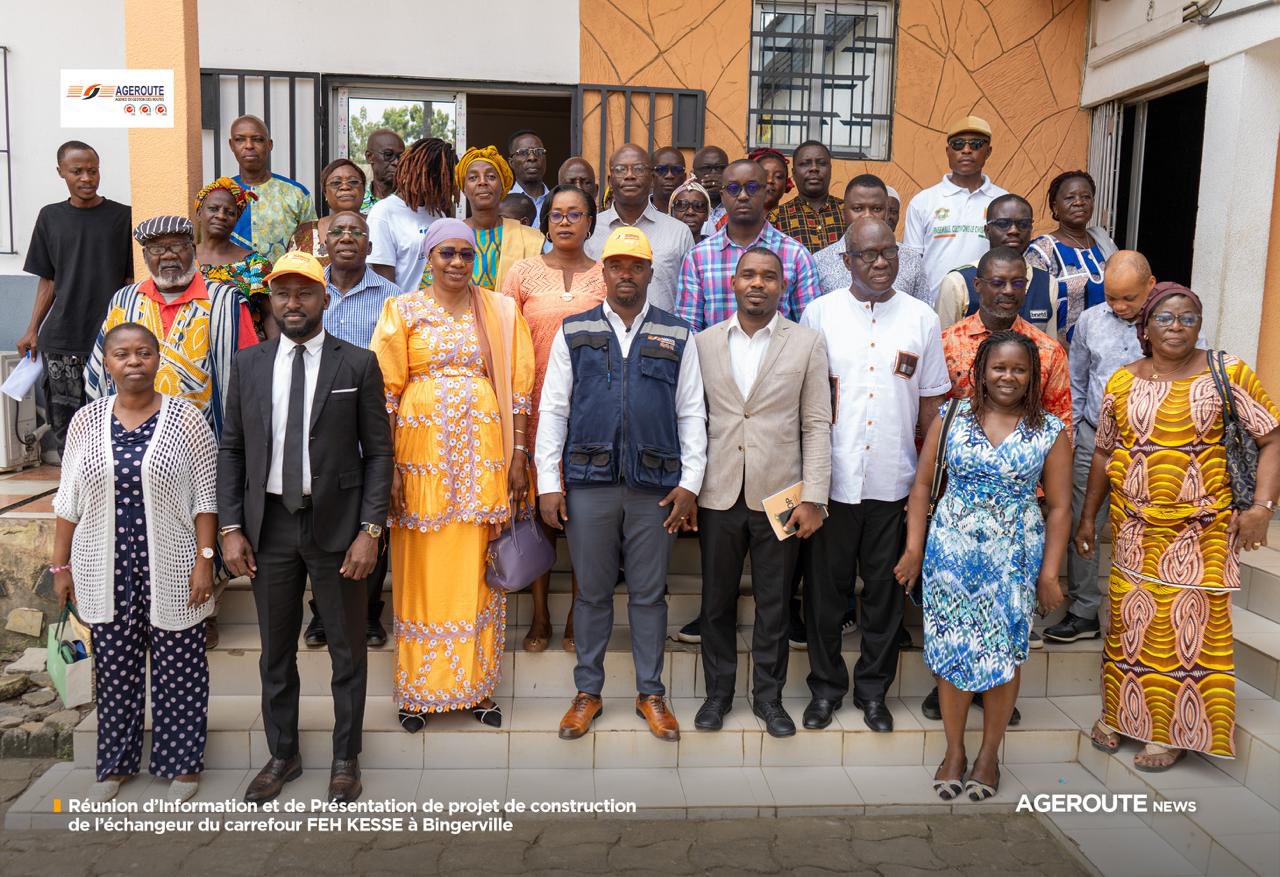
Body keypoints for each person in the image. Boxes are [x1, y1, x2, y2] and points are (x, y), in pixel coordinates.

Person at [1076, 284, 1280, 771]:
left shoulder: (1227, 372)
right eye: (1165, 318)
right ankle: (1121, 715)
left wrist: (1262, 507)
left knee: (1183, 631)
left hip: (1200, 531)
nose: (1176, 327)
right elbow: (1103, 452)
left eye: (1188, 319)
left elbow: (1271, 438)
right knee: (1130, 627)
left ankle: (1172, 731)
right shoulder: (1122, 380)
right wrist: (1088, 516)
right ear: (1145, 328)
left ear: (1199, 326)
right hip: (1133, 530)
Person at [218, 250, 393, 804]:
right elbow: (232, 449)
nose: (292, 303)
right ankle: (283, 754)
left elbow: (380, 454)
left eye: (304, 292)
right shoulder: (248, 364)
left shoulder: (357, 364)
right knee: (275, 651)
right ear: (270, 299)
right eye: (283, 293)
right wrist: (230, 527)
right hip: (268, 527)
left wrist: (370, 531)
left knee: (347, 650)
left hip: (338, 526)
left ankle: (345, 758)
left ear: (324, 298)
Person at [537, 226, 706, 743]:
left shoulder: (677, 334)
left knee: (649, 596)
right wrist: (548, 482)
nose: (626, 274)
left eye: (636, 266)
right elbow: (554, 408)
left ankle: (650, 693)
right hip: (589, 482)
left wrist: (691, 483)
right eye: (616, 265)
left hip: (656, 486)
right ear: (603, 272)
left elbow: (691, 412)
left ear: (650, 273)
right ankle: (587, 692)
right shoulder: (574, 330)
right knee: (591, 594)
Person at [371, 219, 534, 733]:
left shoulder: (500, 311)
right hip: (419, 464)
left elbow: (520, 391)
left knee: (476, 573)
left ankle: (476, 688)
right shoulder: (402, 310)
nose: (458, 263)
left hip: (484, 460)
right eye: (447, 253)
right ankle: (418, 692)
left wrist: (519, 455)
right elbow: (385, 394)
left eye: (466, 253)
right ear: (430, 258)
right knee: (421, 573)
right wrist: (388, 468)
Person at [895, 330, 1071, 801]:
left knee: (1004, 653)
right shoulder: (952, 417)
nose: (1008, 377)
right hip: (950, 555)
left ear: (1033, 375)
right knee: (952, 650)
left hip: (1013, 557)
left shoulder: (1049, 430)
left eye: (1019, 369)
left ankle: (989, 756)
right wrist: (914, 550)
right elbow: (921, 487)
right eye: (999, 367)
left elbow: (1059, 508)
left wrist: (1049, 574)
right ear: (981, 372)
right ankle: (954, 752)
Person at [52, 322, 216, 803]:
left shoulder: (186, 419)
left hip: (174, 564)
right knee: (116, 670)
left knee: (181, 668)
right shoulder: (86, 421)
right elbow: (67, 501)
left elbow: (206, 498)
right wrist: (60, 568)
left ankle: (182, 766)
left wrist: (205, 561)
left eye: (143, 352)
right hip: (102, 567)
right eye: (122, 354)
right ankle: (115, 767)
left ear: (158, 358)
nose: (134, 362)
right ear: (107, 363)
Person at [798, 217, 950, 733]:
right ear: (846, 261)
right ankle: (825, 691)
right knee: (825, 595)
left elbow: (930, 408)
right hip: (832, 483)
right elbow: (805, 399)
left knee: (885, 597)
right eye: (867, 254)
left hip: (893, 482)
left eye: (889, 252)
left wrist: (929, 487)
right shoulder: (819, 313)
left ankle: (873, 694)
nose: (881, 262)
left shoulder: (922, 318)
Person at [693, 247, 831, 738]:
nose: (758, 283)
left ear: (782, 286)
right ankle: (717, 696)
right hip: (718, 492)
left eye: (768, 276)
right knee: (716, 602)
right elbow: (693, 419)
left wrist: (815, 496)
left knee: (775, 604)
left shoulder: (807, 343)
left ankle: (768, 700)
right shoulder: (704, 343)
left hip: (781, 496)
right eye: (748, 275)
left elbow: (817, 423)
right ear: (732, 283)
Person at [1047, 252, 1203, 646]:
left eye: (1129, 298)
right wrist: (1072, 438)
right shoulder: (1090, 320)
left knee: (1147, 527)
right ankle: (1084, 610)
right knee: (1084, 522)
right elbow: (1077, 381)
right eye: (1112, 297)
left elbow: (1193, 379)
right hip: (1093, 438)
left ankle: (1145, 610)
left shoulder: (1173, 321)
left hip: (1154, 446)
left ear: (1151, 285)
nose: (1118, 306)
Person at [502, 185, 607, 653]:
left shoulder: (605, 275)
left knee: (584, 510)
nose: (565, 222)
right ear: (545, 223)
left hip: (590, 408)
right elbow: (505, 340)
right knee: (537, 507)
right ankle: (540, 614)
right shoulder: (521, 273)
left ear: (590, 223)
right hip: (533, 405)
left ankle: (577, 613)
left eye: (575, 214)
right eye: (557, 214)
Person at [295, 210, 402, 651]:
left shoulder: (393, 299)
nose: (345, 237)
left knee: (370, 516)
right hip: (314, 423)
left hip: (371, 423)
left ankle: (368, 612)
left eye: (356, 231)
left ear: (369, 246)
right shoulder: (308, 292)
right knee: (319, 519)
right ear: (324, 243)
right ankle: (322, 612)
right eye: (336, 231)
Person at [86, 216, 258, 440]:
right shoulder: (123, 300)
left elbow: (250, 375)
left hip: (204, 440)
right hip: (130, 439)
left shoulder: (226, 301)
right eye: (157, 249)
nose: (168, 255)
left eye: (177, 246)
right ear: (144, 256)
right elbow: (101, 373)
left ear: (193, 251)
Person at [19, 140, 132, 460]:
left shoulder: (123, 217)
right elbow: (48, 279)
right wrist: (32, 329)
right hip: (61, 340)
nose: (86, 178)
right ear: (61, 172)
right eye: (77, 171)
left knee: (111, 423)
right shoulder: (50, 217)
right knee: (66, 426)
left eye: (93, 171)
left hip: (110, 339)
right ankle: (70, 486)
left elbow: (130, 280)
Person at [677, 159, 821, 332]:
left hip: (780, 350)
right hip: (715, 350)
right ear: (723, 196)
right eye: (733, 188)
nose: (743, 196)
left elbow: (809, 327)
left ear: (765, 193)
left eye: (752, 188)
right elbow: (688, 328)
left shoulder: (796, 255)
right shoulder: (698, 257)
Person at [902, 116, 1007, 305]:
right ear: (948, 151)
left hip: (988, 309)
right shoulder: (923, 202)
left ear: (988, 151)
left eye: (976, 144)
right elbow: (911, 264)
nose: (966, 150)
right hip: (933, 309)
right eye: (958, 144)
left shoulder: (1003, 202)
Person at [584, 143, 694, 312]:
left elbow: (690, 299)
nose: (630, 176)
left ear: (651, 178)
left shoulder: (679, 233)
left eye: (639, 169)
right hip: (599, 328)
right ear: (610, 181)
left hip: (663, 328)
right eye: (621, 169)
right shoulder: (589, 230)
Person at [419, 146, 544, 292]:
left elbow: (540, 294)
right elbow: (429, 295)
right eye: (473, 178)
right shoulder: (447, 236)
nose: (482, 182)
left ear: (502, 186)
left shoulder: (529, 239)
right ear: (464, 188)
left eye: (491, 177)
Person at [934, 195, 1056, 336]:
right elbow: (942, 343)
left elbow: (1050, 344)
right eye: (1003, 224)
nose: (1014, 230)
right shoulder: (957, 281)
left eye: (1023, 224)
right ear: (987, 231)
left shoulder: (1047, 282)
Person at [1025, 170, 1119, 344]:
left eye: (1086, 197)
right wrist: (1059, 347)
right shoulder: (1041, 251)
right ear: (1055, 207)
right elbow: (1032, 311)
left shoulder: (1104, 243)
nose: (1079, 202)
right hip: (1062, 351)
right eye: (1070, 198)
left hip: (1109, 348)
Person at [813, 174, 921, 299]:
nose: (867, 216)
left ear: (887, 213)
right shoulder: (819, 262)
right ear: (843, 214)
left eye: (877, 209)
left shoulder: (912, 260)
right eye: (858, 208)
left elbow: (922, 308)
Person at [367, 137, 454, 292]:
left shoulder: (438, 214)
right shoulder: (384, 212)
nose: (440, 184)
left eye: (446, 178)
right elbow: (385, 285)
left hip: (436, 305)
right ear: (414, 169)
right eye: (436, 176)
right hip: (401, 305)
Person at [228, 115, 316, 263]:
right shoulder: (219, 193)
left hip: (284, 277)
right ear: (231, 145)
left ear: (269, 145)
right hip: (227, 277)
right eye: (240, 139)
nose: (249, 145)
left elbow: (310, 249)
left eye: (257, 139)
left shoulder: (296, 194)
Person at [194, 177, 274, 341]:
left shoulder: (254, 264)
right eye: (213, 209)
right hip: (191, 349)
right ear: (199, 212)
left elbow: (269, 315)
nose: (221, 216)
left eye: (229, 212)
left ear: (237, 218)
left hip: (244, 350)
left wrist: (277, 353)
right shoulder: (184, 259)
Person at [770, 141, 846, 253]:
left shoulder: (848, 211)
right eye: (805, 164)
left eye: (821, 163)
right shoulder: (776, 217)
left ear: (830, 170)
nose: (814, 168)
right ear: (794, 173)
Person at [289, 159, 367, 264]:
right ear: (325, 193)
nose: (345, 187)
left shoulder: (380, 225)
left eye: (353, 182)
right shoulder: (304, 233)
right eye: (336, 183)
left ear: (364, 190)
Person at [508, 130, 551, 224]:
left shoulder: (558, 200)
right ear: (511, 162)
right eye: (523, 152)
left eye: (538, 151)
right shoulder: (503, 204)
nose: (532, 157)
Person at [361, 129, 405, 213]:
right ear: (369, 157)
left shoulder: (412, 201)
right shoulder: (357, 200)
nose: (396, 162)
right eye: (388, 154)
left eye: (401, 157)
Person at [693, 145, 730, 234]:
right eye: (706, 168)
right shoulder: (684, 207)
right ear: (693, 174)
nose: (713, 174)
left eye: (720, 168)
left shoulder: (739, 205)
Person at [669, 177, 711, 244]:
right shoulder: (659, 245)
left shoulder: (718, 248)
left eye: (698, 206)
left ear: (707, 214)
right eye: (681, 205)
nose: (690, 212)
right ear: (671, 212)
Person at [649, 146, 686, 214]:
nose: (669, 175)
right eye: (661, 170)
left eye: (676, 170)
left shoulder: (693, 213)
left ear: (684, 178)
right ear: (651, 177)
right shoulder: (638, 212)